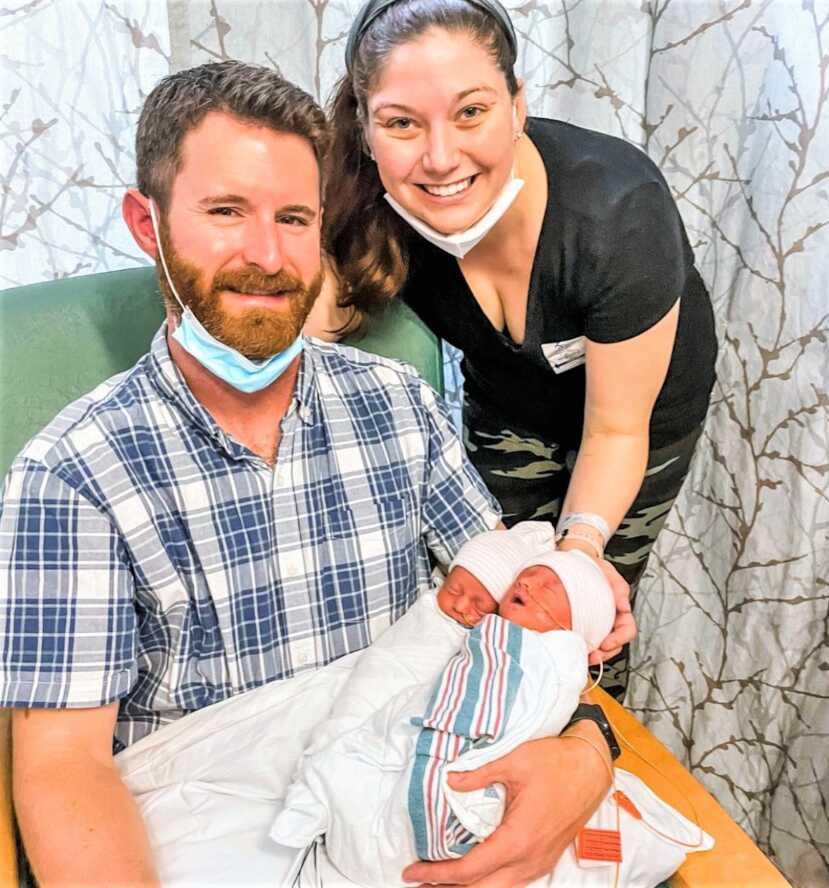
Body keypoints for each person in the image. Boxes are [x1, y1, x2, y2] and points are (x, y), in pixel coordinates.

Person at [0, 60, 624, 887]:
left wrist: (587, 752)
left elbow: (508, 609)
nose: (267, 254)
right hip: (216, 829)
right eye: (225, 211)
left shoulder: (399, 407)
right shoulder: (70, 478)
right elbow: (63, 769)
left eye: (293, 218)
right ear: (146, 225)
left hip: (409, 810)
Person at [326, 0, 719, 696]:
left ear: (517, 105)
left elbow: (616, 428)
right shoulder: (369, 207)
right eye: (402, 123)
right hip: (509, 401)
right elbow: (299, 331)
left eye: (470, 112)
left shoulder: (617, 214)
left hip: (640, 422)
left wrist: (577, 556)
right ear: (366, 129)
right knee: (478, 587)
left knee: (578, 609)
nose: (440, 157)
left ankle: (585, 754)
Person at [272, 545, 709, 888]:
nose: (530, 583)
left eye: (549, 586)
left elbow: (535, 701)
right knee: (353, 755)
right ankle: (317, 805)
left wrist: (588, 744)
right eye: (525, 578)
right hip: (399, 743)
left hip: (466, 782)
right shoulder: (481, 639)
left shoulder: (549, 656)